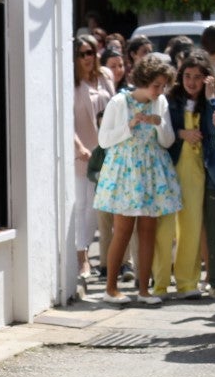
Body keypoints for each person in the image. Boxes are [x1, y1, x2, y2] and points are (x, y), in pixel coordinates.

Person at [94, 55, 179, 305]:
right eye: (156, 85)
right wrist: (129, 125)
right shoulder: (119, 102)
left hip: (151, 171)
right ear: (143, 81)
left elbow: (167, 141)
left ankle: (144, 290)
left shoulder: (160, 102)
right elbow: (104, 140)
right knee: (122, 230)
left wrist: (159, 124)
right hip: (125, 170)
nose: (159, 90)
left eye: (163, 86)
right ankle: (111, 289)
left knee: (148, 230)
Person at [156, 51, 215, 299]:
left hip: (196, 167)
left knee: (192, 225)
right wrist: (182, 133)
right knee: (164, 227)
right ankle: (159, 283)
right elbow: (163, 130)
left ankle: (187, 283)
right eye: (187, 76)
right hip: (170, 166)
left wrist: (211, 99)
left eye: (197, 77)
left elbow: (213, 130)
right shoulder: (169, 100)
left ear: (206, 78)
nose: (191, 81)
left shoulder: (209, 102)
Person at [72, 35, 113, 278]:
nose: (89, 57)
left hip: (106, 151)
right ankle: (82, 257)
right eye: (83, 54)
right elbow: (67, 121)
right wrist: (78, 147)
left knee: (98, 207)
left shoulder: (105, 77)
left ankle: (87, 250)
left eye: (92, 52)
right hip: (84, 153)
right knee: (83, 206)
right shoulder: (72, 84)